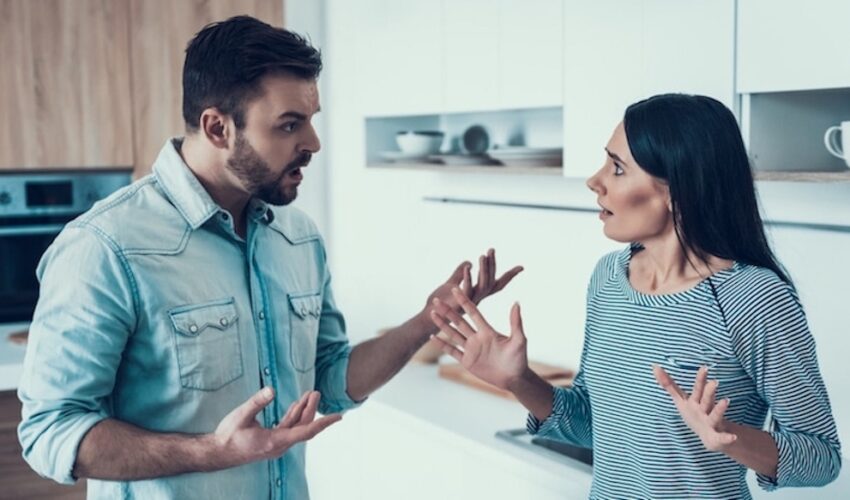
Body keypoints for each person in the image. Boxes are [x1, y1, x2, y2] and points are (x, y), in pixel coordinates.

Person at [17, 16, 522, 500]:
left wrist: (426, 321)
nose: (313, 142)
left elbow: (328, 378)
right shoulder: (104, 246)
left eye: (311, 121)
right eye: (289, 125)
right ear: (218, 128)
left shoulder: (297, 237)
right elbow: (51, 431)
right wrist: (212, 452)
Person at [430, 94, 842, 499]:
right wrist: (519, 382)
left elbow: (823, 458)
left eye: (617, 168)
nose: (595, 181)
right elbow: (593, 425)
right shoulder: (609, 277)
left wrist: (731, 438)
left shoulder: (754, 298)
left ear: (676, 190)